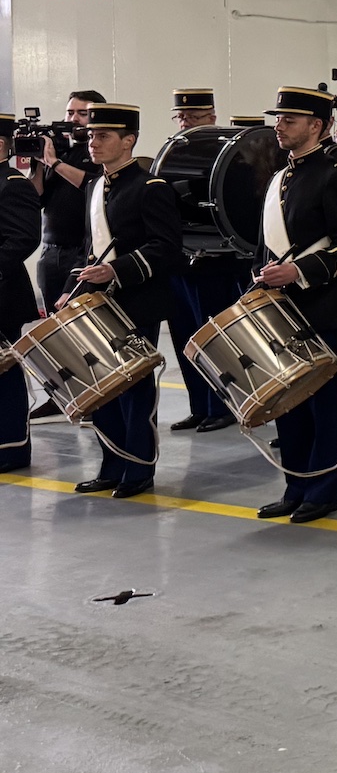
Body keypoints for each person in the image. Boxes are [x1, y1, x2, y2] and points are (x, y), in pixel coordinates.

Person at [250, 88, 337, 524]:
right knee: (287, 401)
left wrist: (299, 273)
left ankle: (324, 489)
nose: (279, 126)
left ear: (317, 126)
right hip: (279, 307)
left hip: (323, 305)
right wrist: (259, 279)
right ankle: (296, 485)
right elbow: (265, 245)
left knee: (323, 403)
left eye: (289, 120)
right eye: (278, 119)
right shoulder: (282, 177)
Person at [68, 103, 184, 498]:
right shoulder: (95, 186)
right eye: (91, 136)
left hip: (138, 302)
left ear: (129, 140)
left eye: (103, 136)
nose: (93, 142)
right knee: (100, 386)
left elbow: (166, 248)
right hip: (96, 302)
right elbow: (91, 248)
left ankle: (138, 470)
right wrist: (75, 289)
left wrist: (117, 272)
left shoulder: (151, 188)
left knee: (134, 388)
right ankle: (110, 464)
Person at [161, 87, 247, 434]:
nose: (186, 124)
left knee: (213, 338)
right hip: (183, 262)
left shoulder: (232, 158)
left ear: (212, 117)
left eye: (194, 118)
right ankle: (200, 405)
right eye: (181, 117)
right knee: (185, 337)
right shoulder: (171, 157)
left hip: (218, 263)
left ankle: (224, 406)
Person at [29, 93, 103, 375]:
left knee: (83, 327)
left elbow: (91, 186)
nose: (73, 119)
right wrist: (39, 163)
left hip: (80, 250)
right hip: (51, 250)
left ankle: (93, 388)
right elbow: (37, 198)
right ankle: (61, 390)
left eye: (81, 113)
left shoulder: (96, 155)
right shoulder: (62, 153)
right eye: (69, 112)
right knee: (53, 328)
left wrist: (55, 163)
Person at [0, 113, 40, 473]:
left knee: (5, 372)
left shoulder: (13, 183)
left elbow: (24, 238)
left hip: (3, 293)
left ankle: (12, 447)